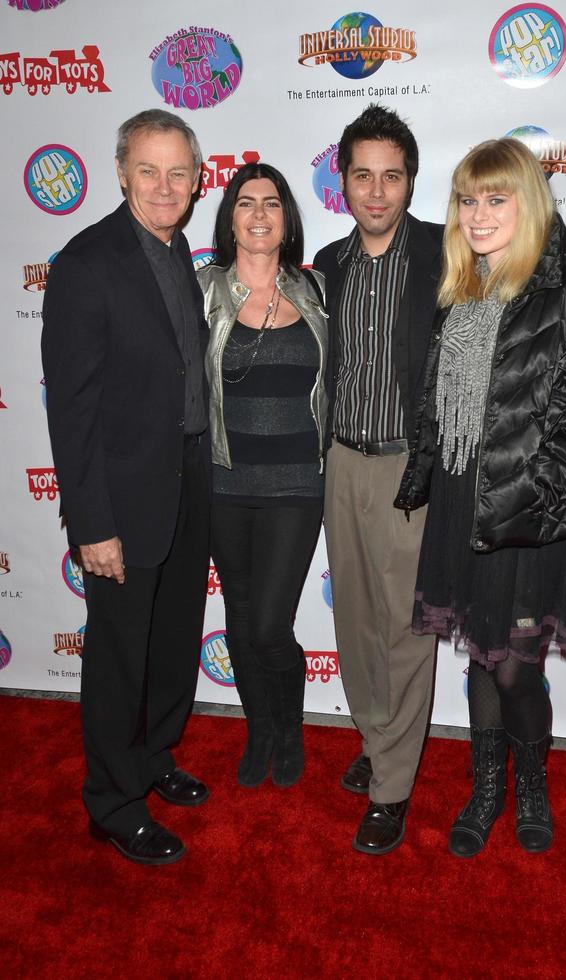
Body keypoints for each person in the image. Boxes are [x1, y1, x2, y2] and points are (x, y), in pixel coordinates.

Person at [396, 137, 566, 857]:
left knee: (514, 664)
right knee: (480, 655)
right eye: (468, 199)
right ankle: (485, 786)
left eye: (496, 198)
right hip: (464, 505)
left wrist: (529, 491)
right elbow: (444, 407)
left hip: (530, 519)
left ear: (529, 203)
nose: (478, 213)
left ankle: (530, 780)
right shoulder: (459, 291)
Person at [42, 109, 211, 866]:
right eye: (149, 170)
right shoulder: (87, 262)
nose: (165, 186)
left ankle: (150, 759)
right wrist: (91, 524)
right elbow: (71, 411)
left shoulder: (180, 258)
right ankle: (112, 803)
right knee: (117, 660)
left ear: (198, 178)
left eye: (179, 172)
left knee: (171, 648)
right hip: (120, 504)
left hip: (184, 488)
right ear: (120, 173)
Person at [313, 105, 443, 855]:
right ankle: (373, 736)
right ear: (344, 181)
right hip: (340, 462)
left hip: (408, 466)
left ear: (409, 181)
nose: (377, 189)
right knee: (356, 618)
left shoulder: (443, 255)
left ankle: (392, 785)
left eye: (391, 175)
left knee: (403, 627)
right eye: (362, 174)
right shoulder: (327, 265)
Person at [197, 163, 328, 790]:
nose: (257, 214)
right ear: (228, 219)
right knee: (241, 618)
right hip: (225, 481)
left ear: (286, 219)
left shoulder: (317, 291)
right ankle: (260, 732)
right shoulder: (201, 291)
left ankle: (291, 728)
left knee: (272, 624)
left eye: (271, 203)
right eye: (244, 203)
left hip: (298, 485)